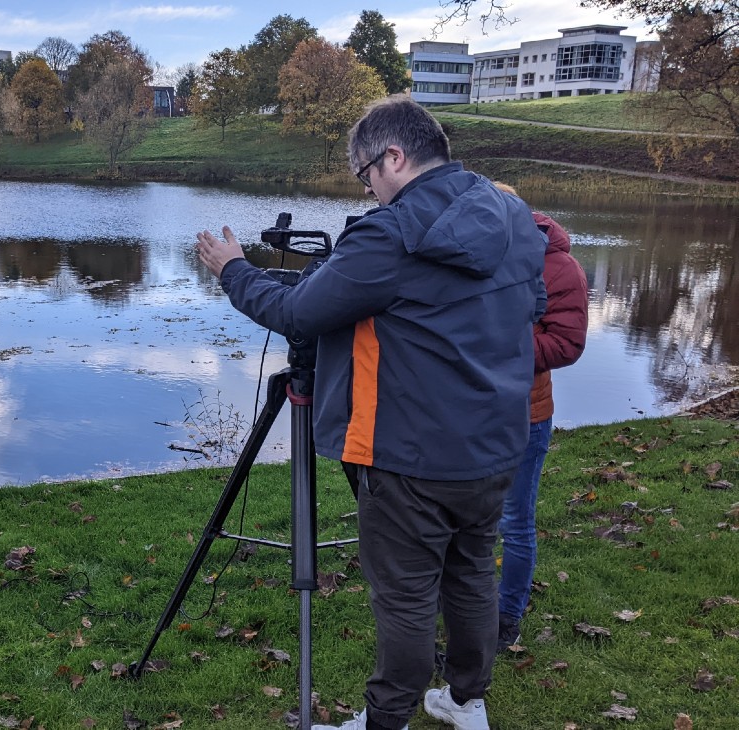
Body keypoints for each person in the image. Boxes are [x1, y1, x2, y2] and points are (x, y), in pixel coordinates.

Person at [195, 96, 547, 730]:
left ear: (395, 156)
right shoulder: (513, 215)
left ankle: (386, 721)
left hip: (409, 454)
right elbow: (530, 306)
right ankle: (466, 702)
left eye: (365, 174)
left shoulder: (391, 232)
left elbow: (298, 314)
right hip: (496, 442)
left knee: (406, 597)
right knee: (469, 574)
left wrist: (234, 271)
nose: (368, 189)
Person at [490, 183, 588, 649]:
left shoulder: (560, 266)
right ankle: (462, 613)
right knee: (458, 522)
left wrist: (496, 343)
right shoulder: (467, 254)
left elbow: (567, 344)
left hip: (524, 415)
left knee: (516, 522)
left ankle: (507, 618)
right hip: (461, 415)